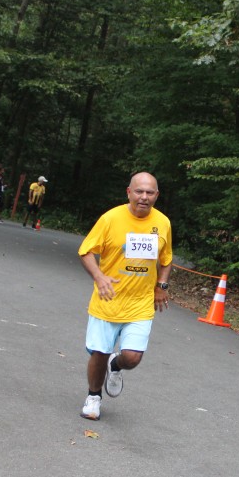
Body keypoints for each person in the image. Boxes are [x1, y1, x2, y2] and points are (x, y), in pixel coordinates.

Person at [76, 172, 173, 420]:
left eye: (149, 192)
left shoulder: (163, 223)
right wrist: (99, 277)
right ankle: (94, 397)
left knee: (132, 357)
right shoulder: (110, 219)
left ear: (157, 195)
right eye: (139, 191)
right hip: (108, 299)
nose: (144, 197)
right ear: (129, 192)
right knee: (100, 352)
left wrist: (162, 286)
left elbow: (166, 259)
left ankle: (116, 365)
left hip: (140, 303)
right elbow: (86, 251)